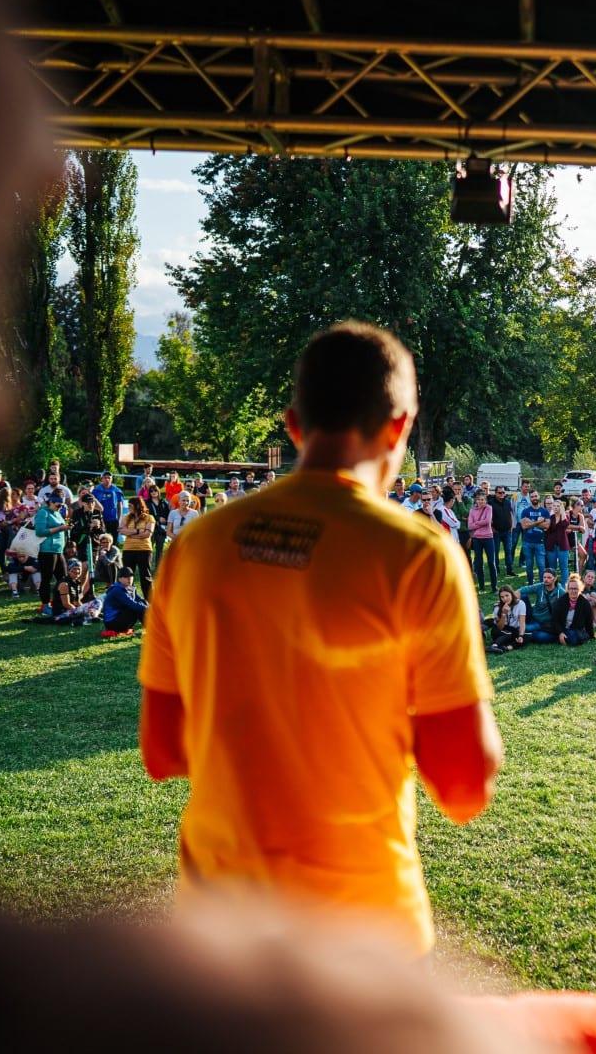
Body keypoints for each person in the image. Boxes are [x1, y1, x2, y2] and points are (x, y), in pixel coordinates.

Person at [138, 321, 502, 957]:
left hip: (216, 932)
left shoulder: (194, 546)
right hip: (364, 936)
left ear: (293, 424)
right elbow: (466, 781)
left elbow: (163, 750)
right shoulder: (417, 555)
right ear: (400, 427)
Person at [34, 493, 71, 613]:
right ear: (50, 502)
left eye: (62, 504)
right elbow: (39, 531)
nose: (60, 506)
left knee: (63, 578)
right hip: (47, 550)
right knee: (47, 578)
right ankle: (45, 605)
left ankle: (60, 602)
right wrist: (60, 528)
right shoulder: (43, 512)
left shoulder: (57, 513)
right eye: (58, 504)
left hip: (58, 550)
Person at [120, 496, 157, 598]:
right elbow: (122, 530)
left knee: (145, 576)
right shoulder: (126, 517)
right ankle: (129, 599)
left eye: (131, 505)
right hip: (128, 550)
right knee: (127, 575)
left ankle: (149, 601)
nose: (129, 507)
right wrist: (137, 531)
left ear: (137, 505)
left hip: (144, 550)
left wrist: (130, 533)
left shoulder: (149, 518)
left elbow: (147, 534)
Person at [550, 573, 596, 646]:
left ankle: (563, 638)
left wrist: (592, 636)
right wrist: (560, 633)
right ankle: (560, 637)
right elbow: (555, 620)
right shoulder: (560, 601)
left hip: (575, 629)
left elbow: (589, 622)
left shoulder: (584, 603)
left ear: (580, 589)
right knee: (541, 636)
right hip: (561, 628)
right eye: (571, 588)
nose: (573, 591)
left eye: (575, 589)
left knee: (573, 638)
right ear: (567, 589)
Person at [466, 484, 497, 591]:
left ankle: (494, 586)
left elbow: (487, 521)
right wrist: (480, 523)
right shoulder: (472, 510)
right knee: (479, 563)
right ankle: (482, 586)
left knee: (491, 562)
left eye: (483, 499)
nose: (481, 501)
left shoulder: (489, 508)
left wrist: (476, 523)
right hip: (477, 539)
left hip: (488, 537)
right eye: (479, 499)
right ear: (476, 500)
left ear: (486, 500)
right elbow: (469, 525)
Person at [517, 489, 549, 586]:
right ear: (530, 498)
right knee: (529, 566)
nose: (534, 498)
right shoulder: (525, 511)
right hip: (527, 542)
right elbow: (524, 526)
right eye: (532, 497)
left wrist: (530, 522)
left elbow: (547, 526)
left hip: (540, 542)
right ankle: (531, 584)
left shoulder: (544, 511)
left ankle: (541, 585)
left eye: (535, 496)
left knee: (541, 566)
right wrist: (538, 522)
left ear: (539, 497)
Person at [486, 586, 526, 653]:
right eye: (502, 597)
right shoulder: (497, 606)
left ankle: (506, 648)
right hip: (499, 630)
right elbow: (499, 627)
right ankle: (494, 646)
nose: (505, 598)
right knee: (508, 634)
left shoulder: (520, 604)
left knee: (527, 635)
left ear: (512, 594)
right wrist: (504, 614)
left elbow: (522, 622)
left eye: (507, 595)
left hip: (513, 629)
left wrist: (521, 635)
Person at [93, 471, 124, 538]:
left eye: (109, 478)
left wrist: (119, 520)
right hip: (100, 519)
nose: (107, 479)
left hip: (113, 520)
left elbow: (120, 505)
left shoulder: (117, 491)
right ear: (101, 479)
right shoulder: (96, 491)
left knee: (113, 539)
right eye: (105, 478)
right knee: (101, 539)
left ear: (111, 479)